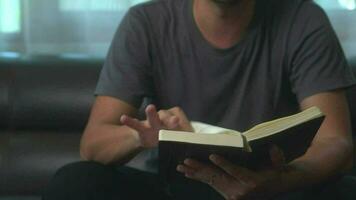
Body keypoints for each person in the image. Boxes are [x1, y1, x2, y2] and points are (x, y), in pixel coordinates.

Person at [43, 0, 356, 199]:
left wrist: (282, 181)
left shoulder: (303, 18)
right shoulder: (145, 22)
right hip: (176, 186)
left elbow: (337, 141)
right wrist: (144, 135)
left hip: (274, 187)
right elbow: (93, 144)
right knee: (75, 182)